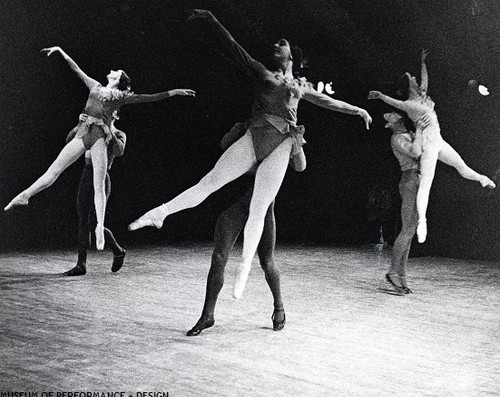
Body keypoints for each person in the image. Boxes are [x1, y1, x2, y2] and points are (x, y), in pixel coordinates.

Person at [129, 9, 372, 299]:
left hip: (282, 143)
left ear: (291, 55)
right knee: (209, 182)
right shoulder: (262, 72)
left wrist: (358, 110)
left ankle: (243, 271)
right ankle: (161, 213)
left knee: (259, 207)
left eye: (280, 44)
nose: (275, 46)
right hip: (254, 135)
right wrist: (211, 19)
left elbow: (328, 102)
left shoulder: (301, 87)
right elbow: (233, 47)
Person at [4, 46, 195, 251]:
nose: (112, 70)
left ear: (119, 79)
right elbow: (76, 69)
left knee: (98, 185)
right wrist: (61, 51)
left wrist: (174, 92)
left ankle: (100, 227)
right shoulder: (94, 86)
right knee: (53, 171)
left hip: (98, 138)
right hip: (83, 133)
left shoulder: (121, 97)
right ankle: (25, 195)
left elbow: (148, 97)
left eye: (117, 71)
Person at [187, 130, 307, 336]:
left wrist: (296, 141)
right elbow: (224, 144)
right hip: (237, 201)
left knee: (266, 260)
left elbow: (300, 166)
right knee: (219, 256)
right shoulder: (249, 128)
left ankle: (279, 307)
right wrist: (241, 129)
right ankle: (208, 315)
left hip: (263, 206)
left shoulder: (285, 134)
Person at [368, 49, 495, 243]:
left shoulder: (422, 96)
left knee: (461, 166)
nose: (417, 82)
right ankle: (423, 222)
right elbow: (394, 102)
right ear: (408, 87)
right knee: (426, 184)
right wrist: (381, 96)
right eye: (413, 80)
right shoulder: (409, 104)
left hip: (438, 140)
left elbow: (425, 80)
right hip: (427, 143)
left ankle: (482, 179)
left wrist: (423, 63)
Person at [63, 115, 127, 276]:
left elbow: (119, 150)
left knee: (96, 223)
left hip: (102, 177)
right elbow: (70, 141)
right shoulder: (92, 130)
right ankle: (81, 265)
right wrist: (79, 125)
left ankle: (118, 250)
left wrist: (109, 133)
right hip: (86, 174)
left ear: (115, 116)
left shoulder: (119, 133)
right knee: (83, 220)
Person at [383, 112, 429, 293]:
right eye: (390, 116)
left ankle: (401, 275)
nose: (394, 114)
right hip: (410, 180)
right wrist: (418, 129)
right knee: (407, 229)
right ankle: (393, 271)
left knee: (410, 231)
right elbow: (416, 152)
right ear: (391, 125)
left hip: (417, 179)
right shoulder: (396, 138)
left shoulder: (407, 134)